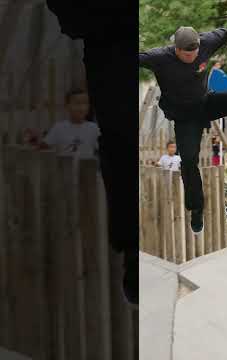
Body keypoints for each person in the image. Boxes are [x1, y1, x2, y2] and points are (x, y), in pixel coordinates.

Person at [46, 0, 138, 306]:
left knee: (121, 152)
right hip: (111, 60)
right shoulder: (70, 130)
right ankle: (130, 256)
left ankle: (131, 257)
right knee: (120, 151)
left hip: (112, 59)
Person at [139, 26, 227, 234]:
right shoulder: (160, 57)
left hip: (205, 103)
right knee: (188, 161)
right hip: (185, 118)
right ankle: (196, 209)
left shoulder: (207, 42)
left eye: (195, 53)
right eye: (187, 55)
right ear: (176, 49)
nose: (192, 57)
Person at [39, 89, 100, 158]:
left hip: (86, 167)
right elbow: (43, 147)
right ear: (67, 106)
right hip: (64, 167)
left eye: (85, 103)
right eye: (77, 103)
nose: (82, 107)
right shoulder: (59, 127)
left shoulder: (94, 128)